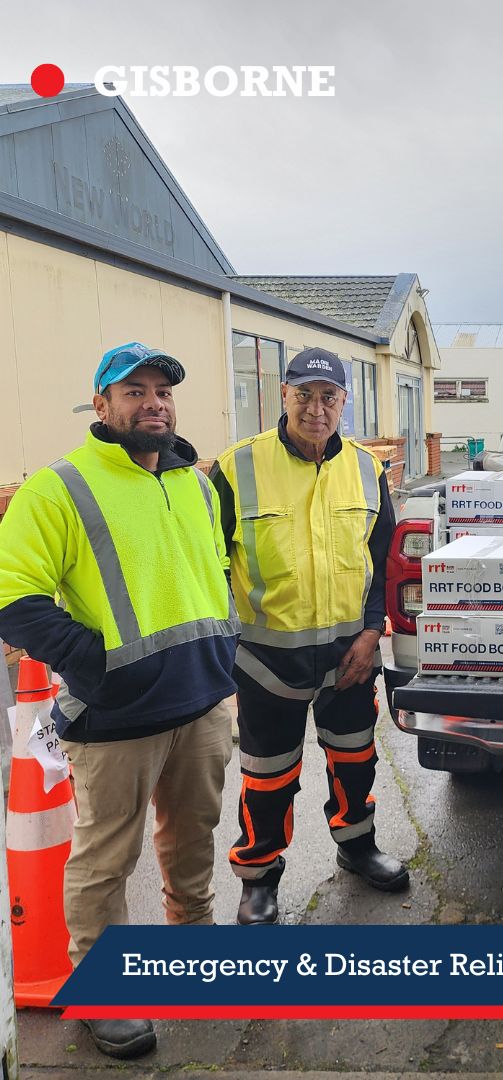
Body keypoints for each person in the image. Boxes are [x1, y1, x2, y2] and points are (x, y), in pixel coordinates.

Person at [0, 342, 240, 1059]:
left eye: (163, 390)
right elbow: (14, 596)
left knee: (193, 837)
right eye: (133, 390)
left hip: (201, 702)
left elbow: (208, 578)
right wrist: (97, 665)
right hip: (116, 718)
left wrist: (222, 663)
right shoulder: (61, 487)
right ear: (100, 406)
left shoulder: (196, 484)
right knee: (106, 860)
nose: (153, 401)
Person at [210, 347, 407, 927]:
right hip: (268, 663)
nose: (316, 408)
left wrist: (374, 633)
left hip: (351, 657)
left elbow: (384, 559)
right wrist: (231, 648)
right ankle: (259, 876)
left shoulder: (368, 470)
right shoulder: (236, 468)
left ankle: (357, 846)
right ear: (284, 396)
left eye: (328, 397)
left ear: (344, 402)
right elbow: (209, 565)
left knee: (355, 760)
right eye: (305, 395)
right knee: (268, 776)